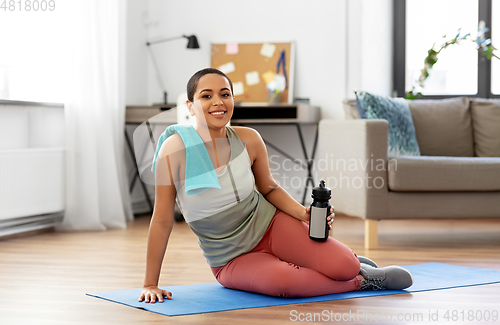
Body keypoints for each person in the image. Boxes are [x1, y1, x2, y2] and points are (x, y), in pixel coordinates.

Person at [138, 68, 413, 303]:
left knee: (344, 264)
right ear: (189, 106)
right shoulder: (173, 151)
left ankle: (351, 265)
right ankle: (362, 281)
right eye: (206, 96)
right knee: (285, 283)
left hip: (270, 226)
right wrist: (150, 283)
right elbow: (162, 220)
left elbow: (268, 188)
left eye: (225, 94)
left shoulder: (249, 139)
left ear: (233, 100)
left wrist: (302, 214)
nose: (218, 102)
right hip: (231, 257)